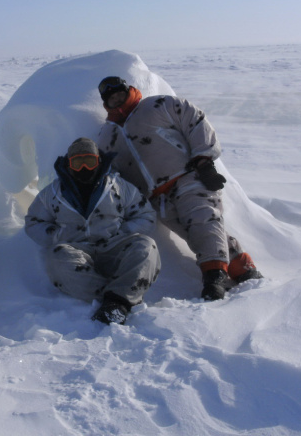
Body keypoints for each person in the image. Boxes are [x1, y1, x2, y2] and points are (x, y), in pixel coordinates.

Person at [96, 76, 262, 301]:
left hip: (188, 178)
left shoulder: (158, 105)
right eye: (111, 97)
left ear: (128, 90)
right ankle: (241, 267)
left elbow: (195, 120)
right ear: (106, 103)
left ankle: (214, 276)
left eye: (119, 93)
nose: (117, 99)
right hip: (157, 198)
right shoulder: (108, 135)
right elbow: (112, 171)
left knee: (203, 219)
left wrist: (204, 159)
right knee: (197, 233)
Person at [24, 137, 160, 325]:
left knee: (147, 246)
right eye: (77, 163)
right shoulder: (52, 193)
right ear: (68, 164)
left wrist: (123, 232)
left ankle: (117, 300)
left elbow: (146, 215)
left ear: (99, 162)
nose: (84, 168)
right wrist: (56, 236)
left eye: (89, 161)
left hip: (114, 246)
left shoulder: (119, 187)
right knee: (56, 258)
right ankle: (117, 298)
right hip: (76, 249)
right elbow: (33, 222)